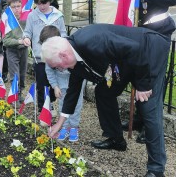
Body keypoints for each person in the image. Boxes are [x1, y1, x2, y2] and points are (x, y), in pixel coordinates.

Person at [44, 24, 170, 177]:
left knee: (148, 108)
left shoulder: (92, 40)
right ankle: (116, 139)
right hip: (123, 62)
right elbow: (73, 91)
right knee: (104, 92)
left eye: (57, 66)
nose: (60, 70)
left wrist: (143, 85)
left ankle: (156, 169)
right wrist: (60, 123)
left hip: (148, 51)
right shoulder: (72, 57)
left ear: (64, 55)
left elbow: (136, 49)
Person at [120, 0, 176, 144]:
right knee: (140, 77)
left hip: (158, 34)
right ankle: (139, 118)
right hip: (140, 33)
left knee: (153, 82)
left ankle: (149, 126)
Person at [23, 0, 67, 119]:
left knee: (54, 83)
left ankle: (51, 102)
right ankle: (43, 108)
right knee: (42, 84)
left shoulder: (58, 16)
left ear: (51, 0)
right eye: (38, 3)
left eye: (44, 3)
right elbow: (27, 32)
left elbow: (63, 33)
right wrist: (26, 38)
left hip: (55, 57)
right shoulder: (32, 16)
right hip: (39, 57)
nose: (41, 6)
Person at [39, 25, 85, 142]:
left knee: (76, 105)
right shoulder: (49, 56)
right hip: (60, 85)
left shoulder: (69, 49)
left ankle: (73, 127)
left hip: (76, 84)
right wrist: (55, 86)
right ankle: (65, 127)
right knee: (62, 105)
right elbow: (49, 71)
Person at [3, 0, 28, 102]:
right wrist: (19, 41)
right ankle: (14, 96)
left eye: (18, 6)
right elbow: (5, 41)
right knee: (15, 75)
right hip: (12, 51)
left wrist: (28, 39)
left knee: (22, 73)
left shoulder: (25, 18)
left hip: (24, 50)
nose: (17, 9)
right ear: (9, 8)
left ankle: (20, 92)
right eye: (14, 7)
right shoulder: (7, 21)